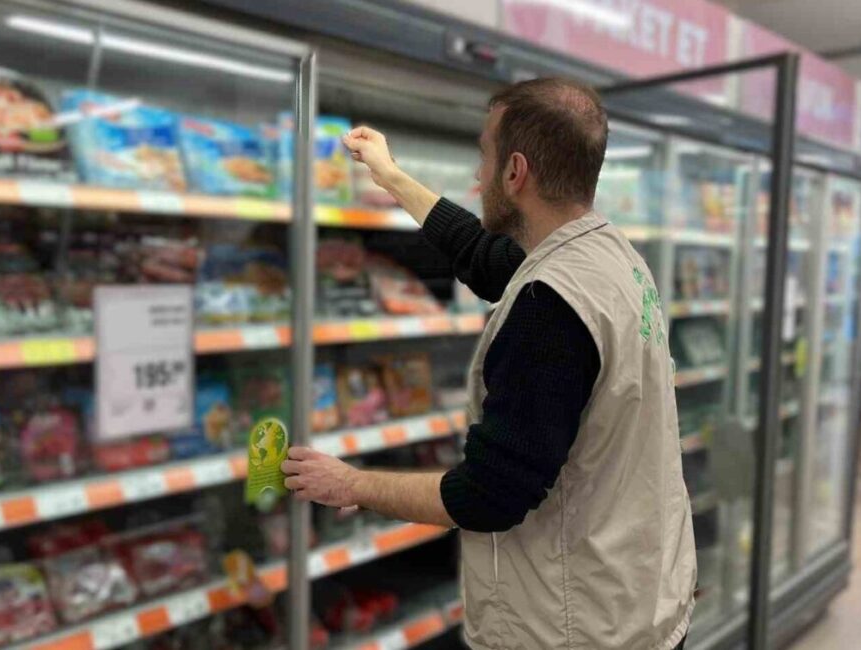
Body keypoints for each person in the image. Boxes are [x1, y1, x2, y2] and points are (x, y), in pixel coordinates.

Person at [282, 78, 696, 650]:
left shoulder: (548, 308)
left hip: (574, 629)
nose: (479, 175)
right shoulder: (608, 255)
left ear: (514, 172)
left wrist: (351, 482)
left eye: (485, 155)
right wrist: (391, 175)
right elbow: (483, 258)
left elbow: (489, 496)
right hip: (635, 598)